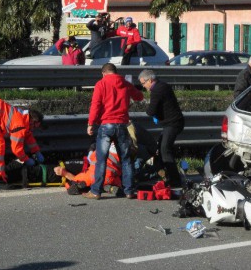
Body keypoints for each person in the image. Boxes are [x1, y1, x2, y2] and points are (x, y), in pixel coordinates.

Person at [83, 63, 144, 200]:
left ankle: (96, 191)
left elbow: (96, 105)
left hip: (106, 125)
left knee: (101, 159)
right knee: (126, 159)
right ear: (115, 72)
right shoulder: (125, 83)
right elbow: (140, 97)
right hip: (122, 125)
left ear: (103, 73)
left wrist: (91, 124)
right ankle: (129, 191)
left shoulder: (101, 83)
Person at [138, 69, 185, 188]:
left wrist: (148, 111)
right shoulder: (162, 85)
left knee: (165, 150)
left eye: (143, 83)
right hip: (172, 123)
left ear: (150, 80)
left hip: (172, 124)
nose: (144, 87)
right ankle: (166, 176)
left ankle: (175, 180)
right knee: (160, 149)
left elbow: (151, 110)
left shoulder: (157, 90)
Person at [0, 99, 44, 189]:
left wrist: (36, 151)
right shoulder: (20, 123)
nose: (34, 129)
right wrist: (26, 159)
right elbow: (16, 149)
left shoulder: (23, 116)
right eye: (35, 126)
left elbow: (28, 135)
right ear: (33, 121)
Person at [54, 143, 122, 196]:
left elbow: (92, 155)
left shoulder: (100, 146)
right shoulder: (123, 148)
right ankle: (109, 187)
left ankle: (100, 187)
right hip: (111, 176)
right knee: (118, 181)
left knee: (73, 184)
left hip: (92, 174)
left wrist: (66, 174)